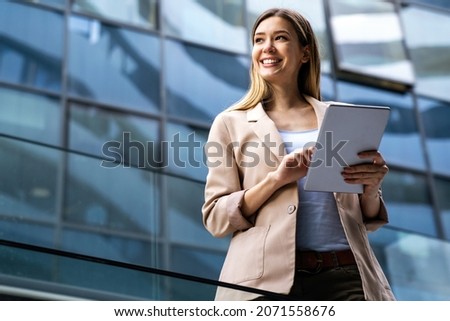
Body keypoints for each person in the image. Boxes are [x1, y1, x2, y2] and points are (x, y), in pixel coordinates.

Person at [202, 8, 395, 301]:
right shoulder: (231, 123)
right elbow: (216, 217)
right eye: (259, 40)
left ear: (305, 53)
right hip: (262, 285)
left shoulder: (341, 117)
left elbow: (366, 218)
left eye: (280, 38)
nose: (267, 47)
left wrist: (371, 187)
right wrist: (277, 179)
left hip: (347, 277)